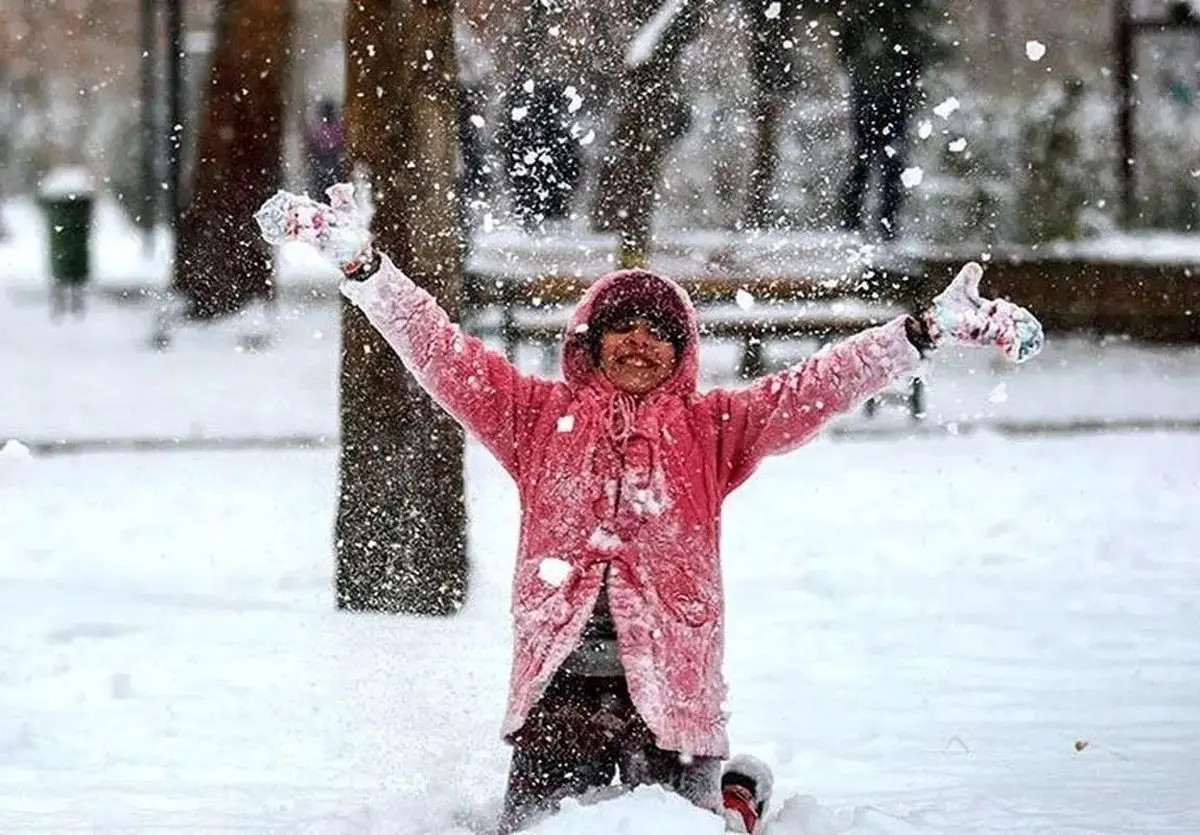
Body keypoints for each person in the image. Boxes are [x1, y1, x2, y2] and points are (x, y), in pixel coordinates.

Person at [254, 185, 1043, 833]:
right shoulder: (532, 416)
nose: (638, 344)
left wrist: (923, 333)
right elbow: (437, 348)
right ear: (587, 344)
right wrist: (363, 265)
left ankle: (732, 798)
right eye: (620, 330)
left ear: (684, 350)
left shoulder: (714, 429)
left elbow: (817, 384)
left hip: (672, 687)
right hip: (557, 690)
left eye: (658, 333)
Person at [835, 0, 946, 240]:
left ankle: (870, 225)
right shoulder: (892, 15)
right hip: (880, 90)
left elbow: (846, 47)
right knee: (875, 160)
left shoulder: (889, 14)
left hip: (884, 91)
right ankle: (867, 225)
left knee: (876, 161)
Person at [303, 97, 346, 200]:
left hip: (322, 164)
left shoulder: (317, 128)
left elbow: (310, 146)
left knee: (321, 190)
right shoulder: (338, 128)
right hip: (332, 164)